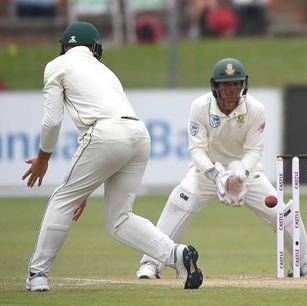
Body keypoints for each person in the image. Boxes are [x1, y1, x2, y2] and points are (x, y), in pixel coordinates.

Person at [22, 21, 203, 292]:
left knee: (62, 199)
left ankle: (38, 274)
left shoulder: (56, 65)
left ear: (63, 46)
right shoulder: (105, 70)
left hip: (105, 133)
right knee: (119, 219)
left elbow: (51, 122)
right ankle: (177, 255)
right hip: (138, 134)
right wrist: (82, 190)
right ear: (95, 47)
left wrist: (43, 159)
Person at [135, 57, 307, 279]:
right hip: (206, 173)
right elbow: (196, 150)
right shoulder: (200, 107)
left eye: (236, 83)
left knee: (282, 211)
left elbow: (254, 150)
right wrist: (216, 176)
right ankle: (151, 263)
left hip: (244, 172)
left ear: (244, 84)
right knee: (179, 200)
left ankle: (306, 264)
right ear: (215, 86)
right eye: (226, 84)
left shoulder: (255, 109)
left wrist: (240, 174)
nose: (232, 89)